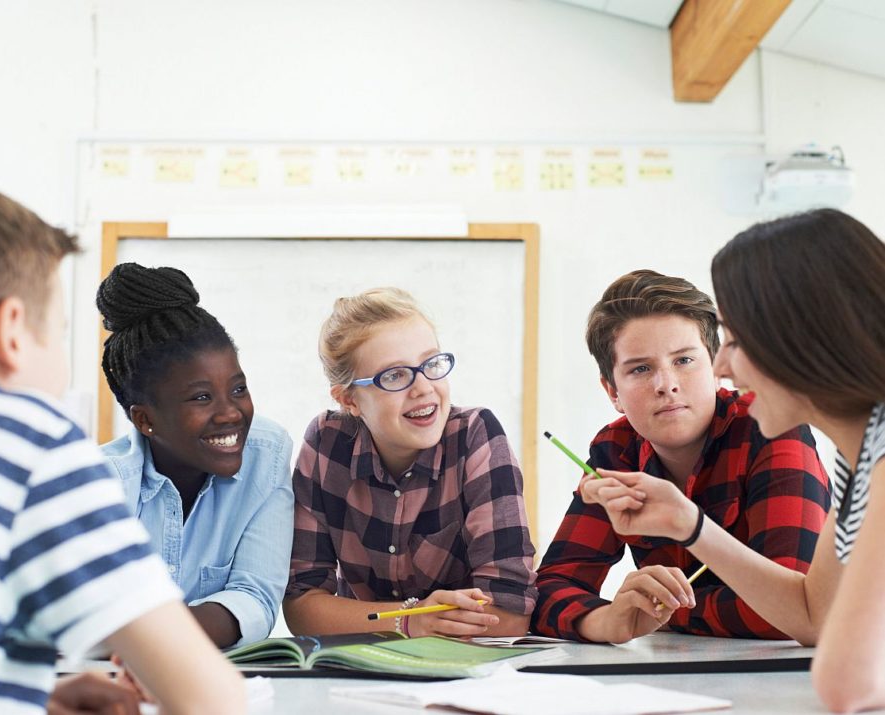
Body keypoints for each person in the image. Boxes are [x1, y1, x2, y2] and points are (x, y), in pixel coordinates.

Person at [0, 176, 244, 713]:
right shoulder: (25, 438)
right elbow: (210, 699)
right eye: (55, 331)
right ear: (10, 332)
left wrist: (35, 697)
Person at [579, 210, 885, 712]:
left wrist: (667, 610)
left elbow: (846, 679)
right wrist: (689, 524)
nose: (721, 367)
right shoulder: (863, 458)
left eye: (736, 342)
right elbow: (814, 615)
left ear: (806, 341)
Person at [533, 270, 831, 644]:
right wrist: (609, 621)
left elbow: (792, 610)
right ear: (612, 391)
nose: (666, 384)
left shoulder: (770, 425)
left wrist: (664, 612)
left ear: (716, 367)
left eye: (684, 360)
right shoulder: (616, 449)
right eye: (640, 369)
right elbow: (549, 589)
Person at [283, 287, 537, 638]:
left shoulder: (475, 434)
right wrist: (409, 618)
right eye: (395, 376)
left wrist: (400, 621)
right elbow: (302, 607)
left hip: (467, 667)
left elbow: (508, 612)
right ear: (349, 400)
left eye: (431, 364)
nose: (423, 388)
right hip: (361, 667)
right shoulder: (327, 442)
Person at [98, 262, 294, 648]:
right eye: (201, 397)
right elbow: (86, 620)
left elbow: (255, 597)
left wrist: (157, 638)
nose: (230, 413)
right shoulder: (101, 485)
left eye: (238, 389)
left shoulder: (266, 454)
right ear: (145, 419)